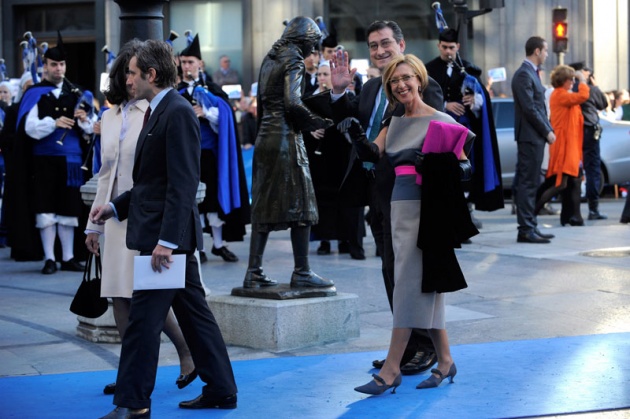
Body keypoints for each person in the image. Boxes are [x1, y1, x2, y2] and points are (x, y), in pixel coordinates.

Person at [91, 39, 237, 418]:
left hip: (165, 242)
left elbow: (183, 184)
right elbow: (152, 182)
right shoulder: (160, 110)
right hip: (164, 237)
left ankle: (133, 405)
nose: (126, 79)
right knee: (195, 316)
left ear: (151, 75)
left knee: (141, 322)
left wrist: (167, 242)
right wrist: (113, 207)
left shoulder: (175, 112)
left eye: (132, 72)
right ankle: (221, 389)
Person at [341, 54, 475, 395]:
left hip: (426, 210)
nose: (400, 85)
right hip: (397, 209)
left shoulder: (441, 119)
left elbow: (466, 169)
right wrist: (357, 136)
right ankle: (445, 361)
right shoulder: (394, 120)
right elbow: (374, 154)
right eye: (393, 82)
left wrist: (435, 164)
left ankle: (391, 369)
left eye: (405, 78)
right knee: (423, 286)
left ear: (419, 79)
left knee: (406, 286)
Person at [84, 39, 196, 397]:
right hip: (115, 216)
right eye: (125, 75)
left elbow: (168, 175)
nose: (129, 81)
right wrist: (94, 224)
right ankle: (128, 371)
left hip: (146, 217)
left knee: (149, 296)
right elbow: (106, 173)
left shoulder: (156, 109)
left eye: (132, 74)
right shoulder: (109, 115)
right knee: (119, 294)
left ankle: (185, 352)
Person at [329, 20, 440, 375]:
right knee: (391, 271)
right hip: (378, 199)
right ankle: (404, 346)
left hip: (411, 199)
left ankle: (425, 348)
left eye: (386, 43)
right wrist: (339, 94)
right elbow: (357, 134)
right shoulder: (372, 87)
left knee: (413, 274)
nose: (379, 51)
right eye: (373, 45)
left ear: (402, 43)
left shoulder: (425, 86)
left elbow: (436, 143)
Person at [242, 16, 335, 289]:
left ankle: (253, 271)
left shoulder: (270, 57)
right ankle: (302, 271)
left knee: (263, 205)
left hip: (266, 139)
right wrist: (319, 121)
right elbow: (292, 103)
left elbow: (263, 104)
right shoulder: (293, 58)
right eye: (313, 42)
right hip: (285, 139)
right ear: (304, 39)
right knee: (304, 204)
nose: (314, 48)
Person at [18, 32, 96, 273]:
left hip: (71, 161)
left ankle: (69, 257)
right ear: (46, 66)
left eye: (62, 64)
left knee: (69, 208)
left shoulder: (77, 94)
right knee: (46, 207)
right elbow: (29, 128)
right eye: (54, 64)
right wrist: (54, 122)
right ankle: (50, 258)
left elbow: (92, 129)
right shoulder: (36, 94)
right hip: (44, 159)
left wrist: (84, 119)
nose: (58, 69)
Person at [177, 34, 250, 264]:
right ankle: (197, 247)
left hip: (209, 154)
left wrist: (206, 112)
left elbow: (226, 118)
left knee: (212, 200)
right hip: (185, 155)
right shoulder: (175, 90)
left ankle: (218, 245)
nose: (187, 65)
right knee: (191, 199)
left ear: (200, 64)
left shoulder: (213, 89)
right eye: (184, 61)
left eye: (191, 61)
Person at [424, 28, 503, 225]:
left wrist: (474, 101)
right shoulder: (429, 69)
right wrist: (444, 105)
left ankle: (464, 214)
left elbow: (481, 104)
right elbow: (422, 100)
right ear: (438, 46)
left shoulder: (469, 69)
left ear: (457, 47)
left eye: (451, 47)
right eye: (444, 47)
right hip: (439, 131)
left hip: (463, 133)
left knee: (465, 172)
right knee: (443, 172)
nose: (448, 51)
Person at [303, 61, 366, 260]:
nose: (322, 78)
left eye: (326, 74)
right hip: (322, 160)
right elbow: (300, 126)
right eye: (320, 74)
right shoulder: (310, 100)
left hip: (346, 156)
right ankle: (324, 239)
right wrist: (311, 131)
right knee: (324, 201)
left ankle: (349, 241)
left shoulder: (348, 98)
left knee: (348, 200)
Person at [511, 36, 556, 244]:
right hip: (530, 137)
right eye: (545, 50)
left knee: (530, 182)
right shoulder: (523, 74)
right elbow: (530, 108)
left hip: (533, 137)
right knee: (528, 183)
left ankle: (530, 226)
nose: (547, 54)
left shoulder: (530, 73)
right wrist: (547, 131)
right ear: (537, 51)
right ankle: (526, 229)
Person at [534, 65, 589, 226]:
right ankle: (532, 214)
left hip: (570, 146)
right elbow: (583, 96)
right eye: (570, 79)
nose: (572, 82)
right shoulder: (560, 95)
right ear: (562, 81)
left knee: (572, 182)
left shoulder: (564, 95)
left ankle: (573, 217)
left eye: (573, 79)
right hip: (564, 147)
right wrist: (583, 80)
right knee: (560, 184)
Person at [568, 62, 609, 221]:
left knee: (573, 170)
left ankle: (572, 210)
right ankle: (593, 209)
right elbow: (604, 104)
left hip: (575, 131)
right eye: (588, 72)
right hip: (590, 130)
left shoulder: (570, 89)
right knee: (592, 169)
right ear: (583, 72)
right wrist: (595, 85)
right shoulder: (589, 89)